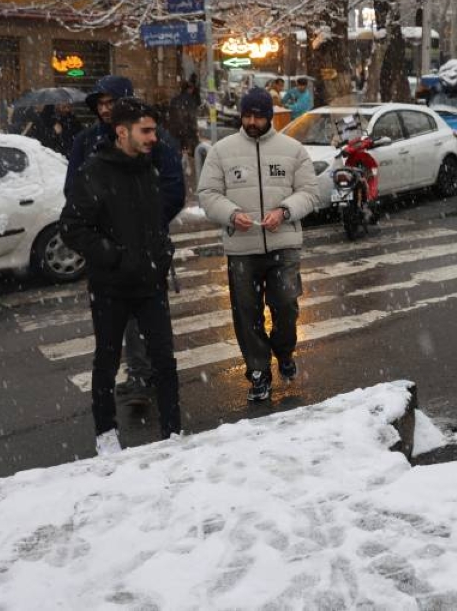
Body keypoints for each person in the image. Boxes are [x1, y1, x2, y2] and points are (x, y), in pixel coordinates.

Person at [60, 99, 182, 455]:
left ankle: (173, 431)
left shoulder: (148, 168)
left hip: (150, 284)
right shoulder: (95, 171)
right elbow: (72, 227)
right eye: (145, 131)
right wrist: (113, 255)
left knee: (164, 359)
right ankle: (105, 432)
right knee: (107, 360)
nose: (153, 138)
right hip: (111, 286)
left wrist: (162, 251)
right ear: (121, 131)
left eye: (154, 131)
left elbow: (155, 218)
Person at [197, 89, 320, 401]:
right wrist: (231, 214)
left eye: (258, 116)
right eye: (247, 115)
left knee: (286, 307)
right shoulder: (221, 151)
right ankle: (258, 372)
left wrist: (285, 211)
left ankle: (285, 351)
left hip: (284, 244)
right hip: (242, 248)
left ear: (269, 116)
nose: (252, 122)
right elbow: (208, 194)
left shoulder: (292, 150)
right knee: (246, 313)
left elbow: (309, 191)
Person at [168, 77, 201, 178]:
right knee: (191, 151)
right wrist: (193, 129)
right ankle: (190, 170)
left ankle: (182, 167)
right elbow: (191, 116)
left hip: (175, 130)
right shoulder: (190, 100)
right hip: (187, 130)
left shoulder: (175, 100)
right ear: (189, 89)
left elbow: (171, 115)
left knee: (179, 150)